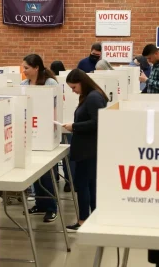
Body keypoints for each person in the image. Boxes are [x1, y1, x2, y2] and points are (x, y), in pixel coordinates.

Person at [63, 69, 108, 231]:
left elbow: (98, 122)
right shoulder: (92, 96)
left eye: (74, 87)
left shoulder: (93, 97)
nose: (73, 91)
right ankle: (92, 218)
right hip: (89, 148)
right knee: (89, 184)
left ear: (82, 82)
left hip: (88, 149)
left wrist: (74, 126)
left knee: (83, 185)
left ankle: (84, 220)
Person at [21, 54, 58, 222]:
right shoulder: (23, 85)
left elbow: (56, 105)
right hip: (30, 130)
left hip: (46, 131)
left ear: (36, 68)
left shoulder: (50, 83)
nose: (24, 71)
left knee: (47, 174)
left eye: (27, 68)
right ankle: (40, 204)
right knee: (34, 170)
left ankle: (51, 207)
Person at [49, 60, 75, 192]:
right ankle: (69, 182)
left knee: (54, 153)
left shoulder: (51, 85)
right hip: (68, 121)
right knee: (67, 156)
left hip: (55, 122)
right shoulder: (66, 82)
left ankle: (54, 179)